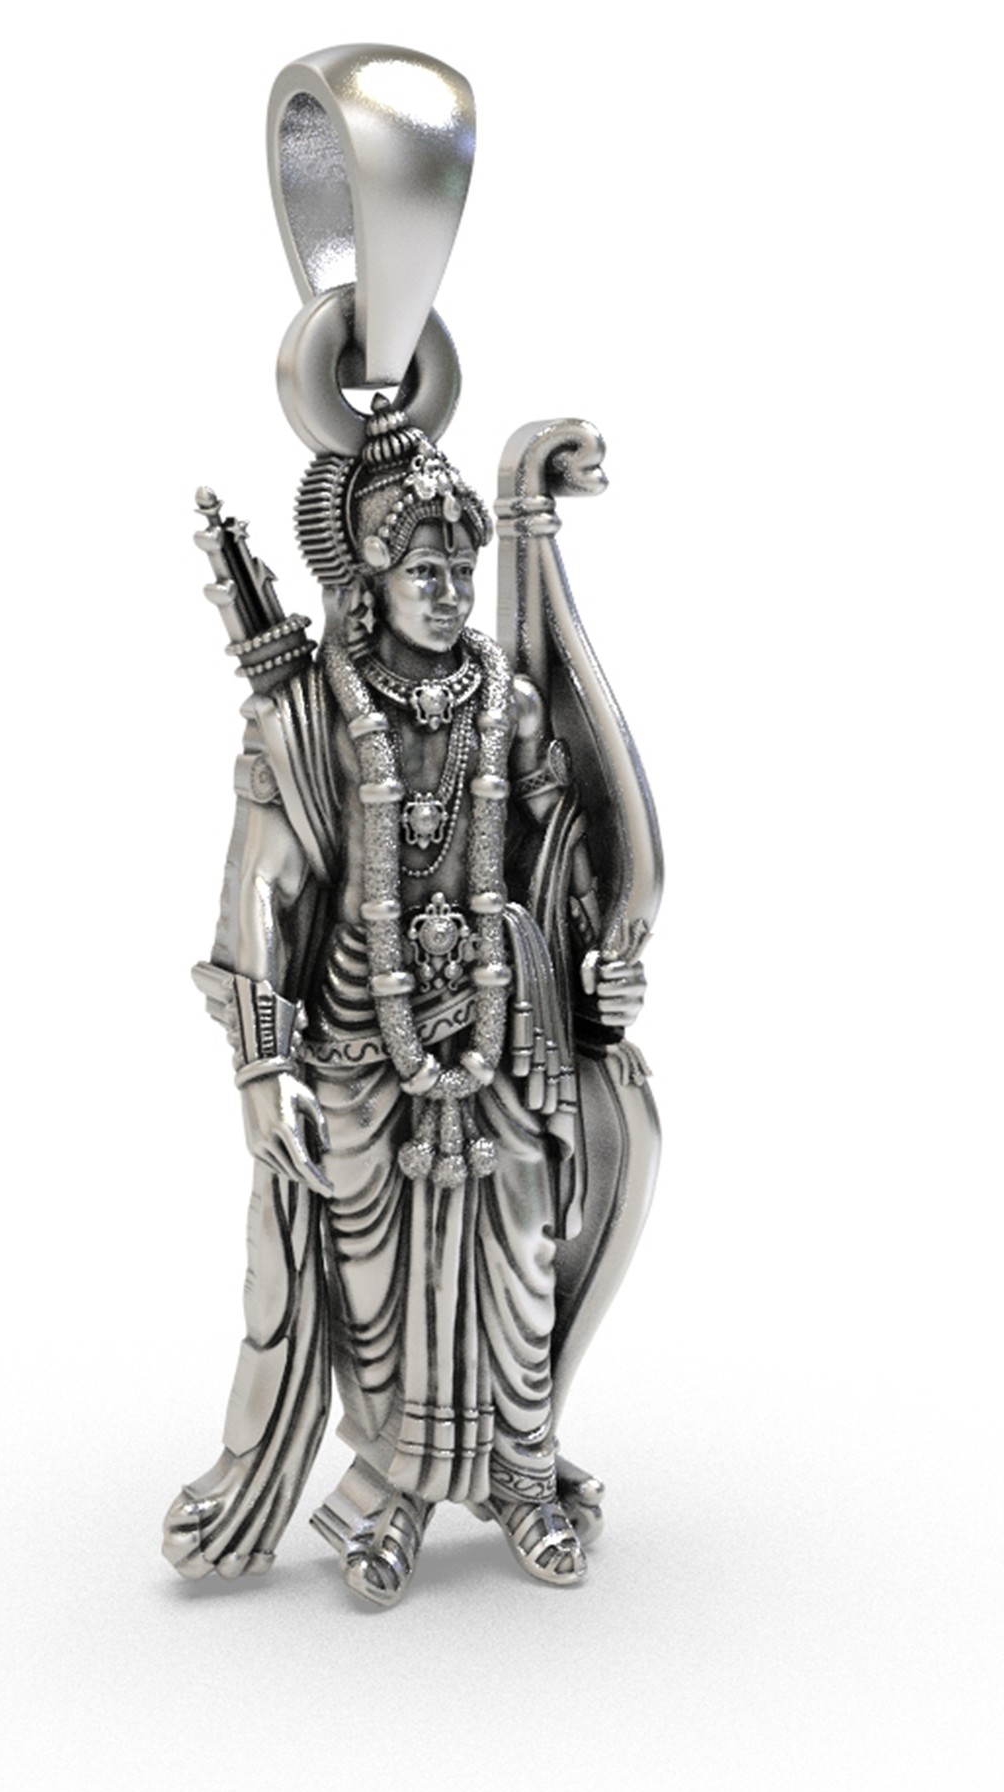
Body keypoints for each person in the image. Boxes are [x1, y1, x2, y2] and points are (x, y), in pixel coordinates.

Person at [164, 400, 646, 1606]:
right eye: (424, 569)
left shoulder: (506, 703)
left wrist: (598, 959)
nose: (450, 590)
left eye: (463, 568)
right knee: (379, 1292)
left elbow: (562, 856)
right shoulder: (309, 721)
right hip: (359, 1046)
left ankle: (524, 1474)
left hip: (502, 1032)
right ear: (368, 580)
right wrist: (260, 1072)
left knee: (517, 1259)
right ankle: (394, 1494)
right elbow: (258, 897)